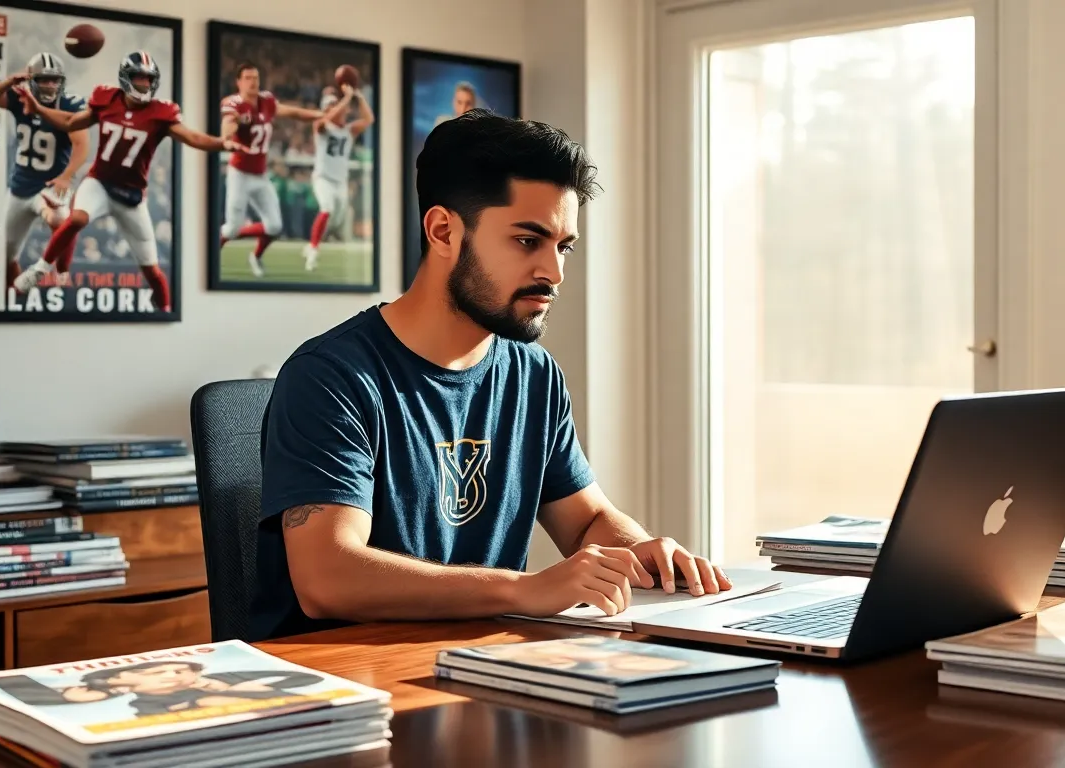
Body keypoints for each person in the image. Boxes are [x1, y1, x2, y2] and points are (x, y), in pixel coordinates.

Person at [253, 109, 730, 641]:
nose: (554, 271)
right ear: (443, 231)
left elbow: (589, 520)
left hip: (484, 671)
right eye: (528, 241)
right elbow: (329, 580)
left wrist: (640, 551)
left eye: (563, 246)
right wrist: (523, 590)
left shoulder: (534, 375)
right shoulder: (330, 378)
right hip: (350, 693)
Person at [11, 51, 237, 312]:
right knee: (77, 219)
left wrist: (221, 143)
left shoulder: (160, 113)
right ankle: (39, 270)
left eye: (147, 79)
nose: (143, 85)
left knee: (151, 269)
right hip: (100, 183)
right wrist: (38, 109)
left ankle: (164, 308)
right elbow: (72, 121)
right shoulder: (107, 100)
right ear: (125, 77)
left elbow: (191, 138)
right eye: (138, 79)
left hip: (131, 197)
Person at [0, 53, 90, 288]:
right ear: (32, 80)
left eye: (54, 80)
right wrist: (10, 80)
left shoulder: (68, 104)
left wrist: (66, 176)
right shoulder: (21, 98)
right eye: (44, 80)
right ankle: (14, 294)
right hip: (20, 186)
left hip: (53, 182)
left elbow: (82, 144)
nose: (50, 85)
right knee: (6, 255)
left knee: (61, 221)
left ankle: (62, 272)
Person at [218, 61, 324, 277]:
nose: (252, 82)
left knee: (275, 226)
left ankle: (255, 256)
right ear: (238, 82)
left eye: (255, 78)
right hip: (239, 173)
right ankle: (211, 254)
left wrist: (320, 115)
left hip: (260, 175)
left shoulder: (266, 101)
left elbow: (292, 112)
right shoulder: (234, 103)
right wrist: (228, 137)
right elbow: (228, 123)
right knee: (231, 228)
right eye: (247, 78)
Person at [303, 84, 374, 272]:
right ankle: (313, 250)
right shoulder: (322, 125)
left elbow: (369, 119)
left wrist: (358, 97)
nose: (337, 110)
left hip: (340, 182)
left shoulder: (348, 130)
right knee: (326, 209)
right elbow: (329, 117)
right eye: (331, 106)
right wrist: (346, 98)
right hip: (323, 178)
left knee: (337, 218)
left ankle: (315, 241)